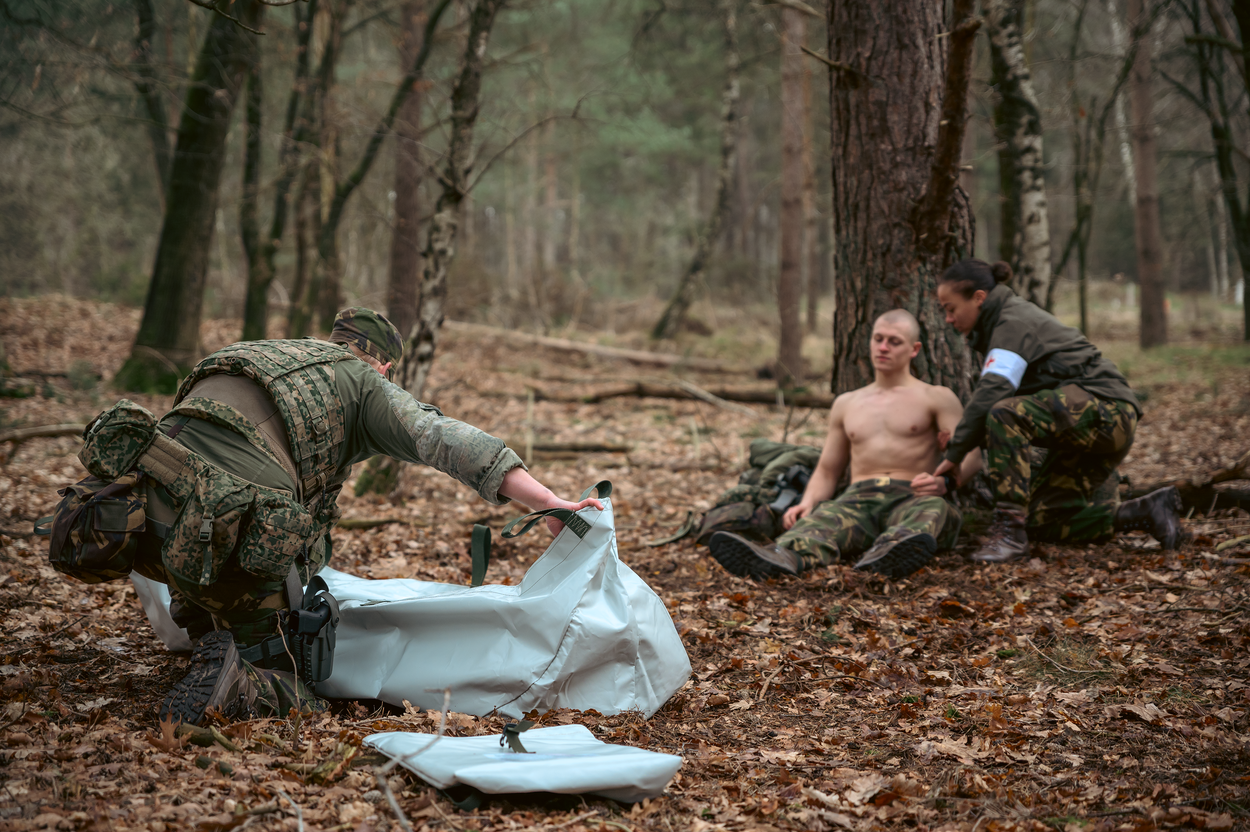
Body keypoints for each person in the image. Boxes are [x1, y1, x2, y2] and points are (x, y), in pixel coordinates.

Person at [121, 308, 601, 725]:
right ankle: (244, 680)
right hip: (220, 522)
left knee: (230, 537)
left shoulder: (272, 353)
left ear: (336, 339)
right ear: (386, 366)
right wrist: (546, 501)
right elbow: (445, 439)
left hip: (139, 511)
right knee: (295, 690)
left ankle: (213, 640)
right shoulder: (364, 383)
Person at [931, 259, 1184, 562]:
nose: (947, 319)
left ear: (979, 298)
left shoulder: (1012, 322)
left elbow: (993, 396)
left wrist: (955, 453)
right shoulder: (1001, 325)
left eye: (951, 308)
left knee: (1003, 412)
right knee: (1042, 521)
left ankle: (1010, 535)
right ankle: (1145, 512)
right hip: (1085, 425)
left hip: (1108, 410)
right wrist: (975, 437)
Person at [708, 309, 982, 581]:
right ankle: (779, 557)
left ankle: (890, 555)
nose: (883, 347)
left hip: (912, 496)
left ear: (914, 349)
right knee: (820, 519)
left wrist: (946, 483)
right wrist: (808, 502)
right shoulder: (847, 403)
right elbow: (828, 469)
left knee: (935, 510)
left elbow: (971, 455)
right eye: (878, 339)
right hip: (857, 499)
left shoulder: (936, 397)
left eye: (894, 341)